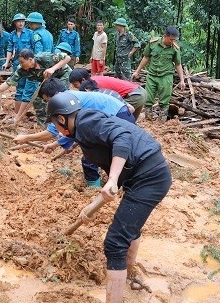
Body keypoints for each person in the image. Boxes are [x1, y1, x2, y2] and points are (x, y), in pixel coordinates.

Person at [45, 92, 172, 303]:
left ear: (60, 118)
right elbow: (83, 140)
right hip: (144, 175)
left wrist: (111, 179)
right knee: (129, 228)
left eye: (54, 124)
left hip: (149, 177)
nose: (56, 130)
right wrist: (91, 207)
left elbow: (122, 137)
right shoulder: (82, 124)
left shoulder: (86, 122)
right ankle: (129, 272)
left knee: (114, 243)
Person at [16, 78, 135, 188]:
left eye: (48, 101)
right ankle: (113, 183)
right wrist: (54, 145)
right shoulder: (71, 98)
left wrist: (26, 138)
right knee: (99, 155)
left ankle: (96, 189)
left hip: (118, 117)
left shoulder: (66, 102)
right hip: (119, 114)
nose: (50, 106)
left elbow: (52, 132)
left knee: (94, 157)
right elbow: (73, 131)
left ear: (56, 94)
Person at [0, 48, 71, 125]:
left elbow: (67, 57)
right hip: (48, 80)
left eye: (22, 62)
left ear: (30, 60)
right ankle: (44, 124)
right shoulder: (21, 70)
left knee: (58, 97)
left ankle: (65, 120)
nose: (21, 64)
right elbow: (8, 83)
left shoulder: (44, 57)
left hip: (62, 74)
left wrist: (53, 68)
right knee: (37, 99)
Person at [132, 26, 186, 121]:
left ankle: (162, 122)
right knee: (148, 98)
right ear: (165, 36)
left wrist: (182, 80)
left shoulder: (175, 48)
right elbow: (146, 57)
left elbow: (178, 64)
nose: (172, 41)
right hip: (152, 75)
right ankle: (148, 120)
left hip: (166, 76)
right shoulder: (153, 43)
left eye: (174, 40)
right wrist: (137, 71)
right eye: (171, 39)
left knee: (165, 100)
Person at [71, 68, 147, 119]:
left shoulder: (95, 86)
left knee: (117, 118)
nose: (75, 88)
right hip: (139, 91)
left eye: (75, 85)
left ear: (83, 80)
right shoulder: (94, 80)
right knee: (130, 122)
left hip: (134, 95)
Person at [3, 13, 35, 120]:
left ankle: (27, 113)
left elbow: (35, 49)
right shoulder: (12, 35)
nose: (21, 23)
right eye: (19, 21)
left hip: (29, 64)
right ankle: (18, 115)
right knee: (19, 88)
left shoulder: (30, 34)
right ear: (15, 23)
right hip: (18, 64)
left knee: (29, 88)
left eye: (23, 21)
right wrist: (7, 62)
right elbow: (9, 48)